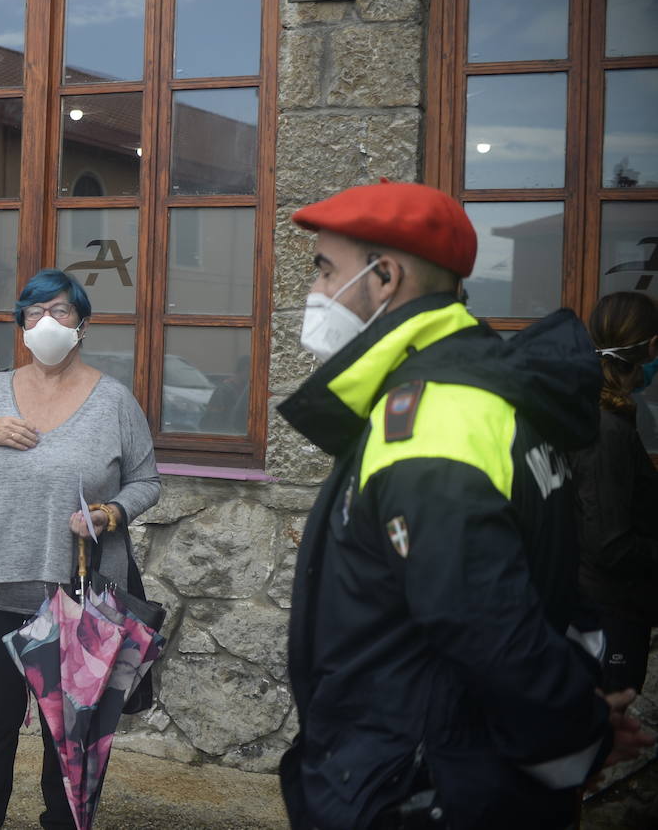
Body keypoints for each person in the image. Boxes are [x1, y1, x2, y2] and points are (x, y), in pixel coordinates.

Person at [276, 181, 653, 829]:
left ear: (385, 276)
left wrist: (579, 726)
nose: (315, 292)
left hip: (420, 786)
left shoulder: (433, 420)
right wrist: (581, 718)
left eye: (325, 270)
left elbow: (487, 630)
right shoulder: (471, 394)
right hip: (438, 770)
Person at [0, 268, 161, 830]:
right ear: (21, 326)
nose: (45, 323)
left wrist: (110, 513)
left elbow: (147, 481)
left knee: (70, 740)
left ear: (81, 323)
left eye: (59, 311)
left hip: (75, 595)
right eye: (33, 314)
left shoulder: (113, 401)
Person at [570, 291, 658, 695]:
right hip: (610, 612)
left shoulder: (610, 413)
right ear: (652, 347)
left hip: (614, 608)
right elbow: (609, 545)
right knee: (607, 734)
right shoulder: (606, 429)